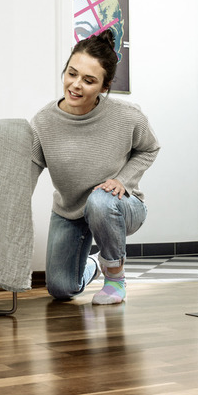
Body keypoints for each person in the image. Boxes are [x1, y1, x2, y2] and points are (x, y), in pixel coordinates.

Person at [30, 29, 160, 305]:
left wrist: (123, 180)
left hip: (119, 206)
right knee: (61, 289)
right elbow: (27, 170)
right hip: (70, 212)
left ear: (104, 86)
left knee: (100, 200)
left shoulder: (127, 116)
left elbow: (150, 148)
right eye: (72, 73)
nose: (76, 85)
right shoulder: (43, 122)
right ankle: (92, 266)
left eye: (88, 80)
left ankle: (115, 279)